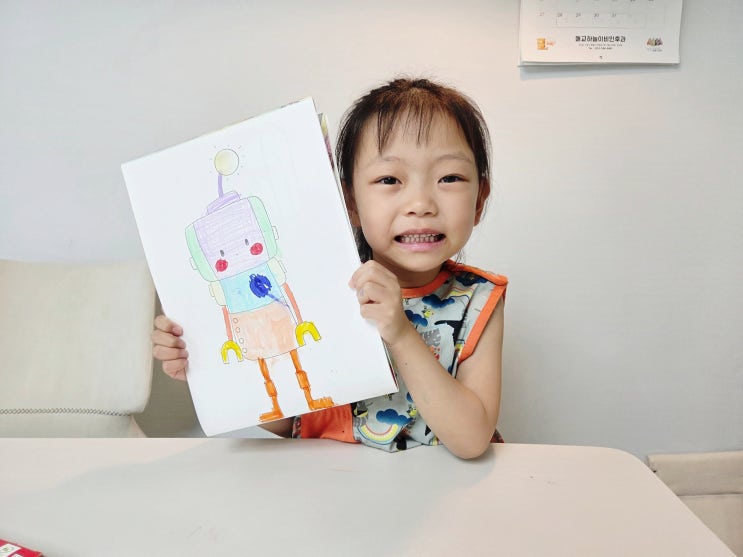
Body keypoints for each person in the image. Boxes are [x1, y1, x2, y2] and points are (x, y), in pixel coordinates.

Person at [152, 77, 507, 459]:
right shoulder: (323, 286)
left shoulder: (478, 299)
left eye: (449, 178)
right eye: (389, 179)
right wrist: (204, 369)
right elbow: (292, 423)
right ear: (350, 201)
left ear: (479, 200)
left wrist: (401, 333)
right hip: (330, 482)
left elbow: (472, 441)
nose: (420, 204)